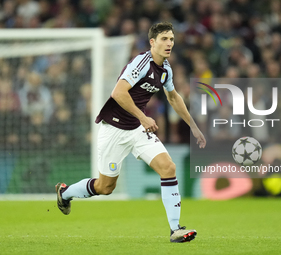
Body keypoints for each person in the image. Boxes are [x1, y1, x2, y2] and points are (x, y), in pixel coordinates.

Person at [55, 22, 206, 243]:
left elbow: (173, 97)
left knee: (168, 167)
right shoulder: (141, 62)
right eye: (164, 39)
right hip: (114, 129)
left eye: (172, 39)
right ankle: (65, 192)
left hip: (136, 129)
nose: (169, 43)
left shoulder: (166, 70)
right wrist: (143, 117)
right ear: (153, 42)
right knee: (105, 188)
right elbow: (118, 92)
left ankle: (176, 229)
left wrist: (193, 126)